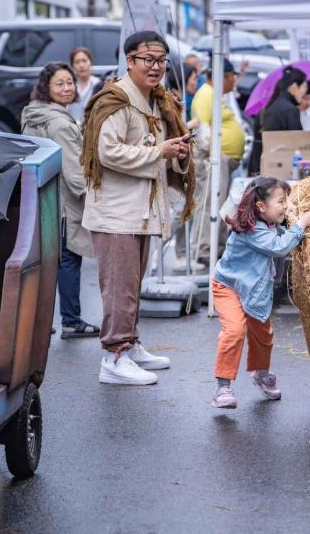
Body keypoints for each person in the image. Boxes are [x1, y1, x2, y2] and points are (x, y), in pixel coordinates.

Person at [80, 31, 195, 386]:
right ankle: (113, 356)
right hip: (116, 213)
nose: (156, 67)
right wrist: (158, 152)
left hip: (142, 210)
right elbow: (106, 152)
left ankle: (129, 346)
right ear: (129, 61)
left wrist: (177, 151)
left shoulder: (160, 101)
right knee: (119, 288)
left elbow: (160, 153)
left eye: (161, 60)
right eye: (148, 60)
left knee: (132, 284)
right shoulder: (114, 100)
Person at [210, 176, 310, 408]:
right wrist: (300, 225)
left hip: (255, 290)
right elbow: (279, 247)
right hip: (228, 287)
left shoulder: (270, 223)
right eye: (281, 201)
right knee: (235, 330)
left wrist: (291, 213)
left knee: (263, 334)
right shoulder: (251, 230)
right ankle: (223, 387)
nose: (285, 206)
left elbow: (279, 233)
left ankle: (261, 374)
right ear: (261, 207)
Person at [21, 62, 99, 339]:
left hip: (43, 200)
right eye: (60, 84)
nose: (67, 88)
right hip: (65, 203)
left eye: (70, 83)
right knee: (69, 260)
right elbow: (74, 172)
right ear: (47, 88)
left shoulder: (34, 115)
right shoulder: (59, 123)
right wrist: (92, 195)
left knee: (46, 262)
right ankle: (71, 320)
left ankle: (39, 321)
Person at [187, 57, 245, 264]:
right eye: (232, 78)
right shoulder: (206, 95)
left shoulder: (216, 95)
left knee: (221, 205)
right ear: (224, 77)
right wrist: (214, 156)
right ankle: (204, 251)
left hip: (222, 159)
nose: (234, 82)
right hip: (214, 158)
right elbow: (202, 129)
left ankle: (217, 248)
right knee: (211, 203)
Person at [247, 66, 309, 175]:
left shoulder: (270, 106)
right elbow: (299, 142)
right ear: (294, 87)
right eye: (303, 88)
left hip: (260, 165)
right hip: (281, 169)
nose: (304, 93)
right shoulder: (290, 109)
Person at [68, 47, 101, 125]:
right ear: (72, 65)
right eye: (77, 62)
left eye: (84, 61)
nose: (81, 65)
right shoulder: (68, 86)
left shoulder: (98, 85)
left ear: (90, 62)